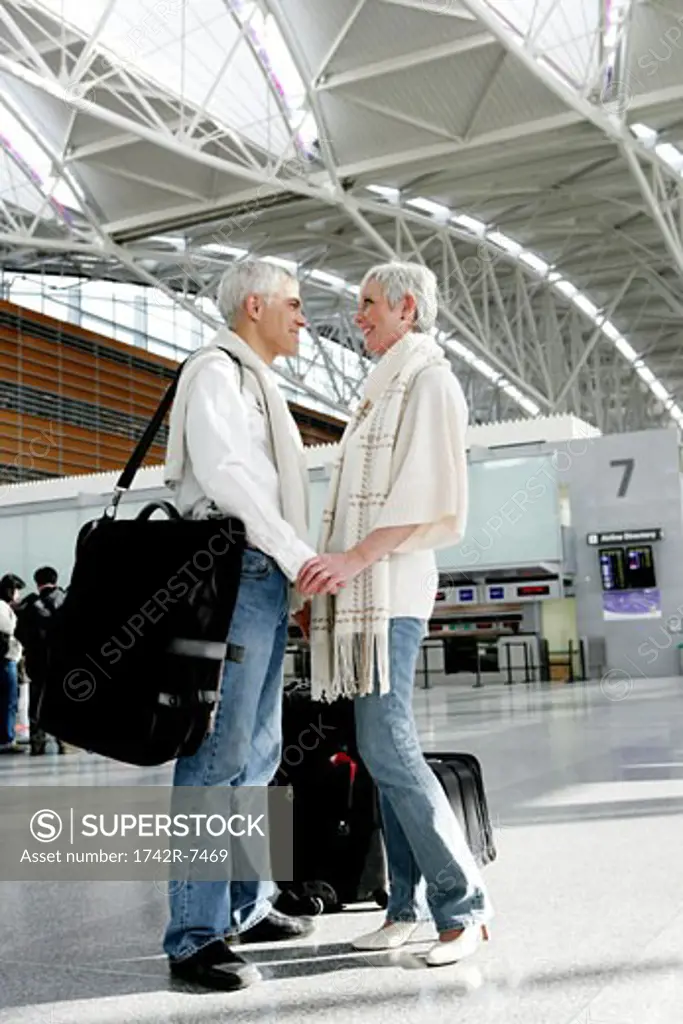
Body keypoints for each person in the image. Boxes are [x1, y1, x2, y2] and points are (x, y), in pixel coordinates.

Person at [297, 261, 493, 966]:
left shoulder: (429, 380)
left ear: (407, 309)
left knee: (388, 746)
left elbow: (427, 495)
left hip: (394, 590)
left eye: (368, 305)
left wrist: (350, 563)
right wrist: (329, 584)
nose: (359, 317)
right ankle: (404, 905)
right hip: (366, 595)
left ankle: (462, 905)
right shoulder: (381, 391)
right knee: (379, 749)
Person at [162, 259, 319, 991]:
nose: (302, 316)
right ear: (253, 304)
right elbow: (227, 473)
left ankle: (245, 905)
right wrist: (297, 554)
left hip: (262, 578)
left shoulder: (256, 378)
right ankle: (194, 935)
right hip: (236, 574)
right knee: (214, 758)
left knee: (258, 755)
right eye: (292, 303)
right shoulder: (218, 372)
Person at [15, 566, 67, 755]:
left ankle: (38, 742)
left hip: (37, 663)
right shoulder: (67, 601)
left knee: (37, 702)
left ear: (37, 583)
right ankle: (65, 742)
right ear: (56, 579)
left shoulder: (30, 605)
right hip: (63, 663)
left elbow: (19, 632)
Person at [0, 573, 26, 754]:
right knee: (9, 700)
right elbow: (8, 630)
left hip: (7, 658)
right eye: (17, 591)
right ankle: (7, 739)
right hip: (6, 658)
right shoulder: (2, 607)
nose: (18, 595)